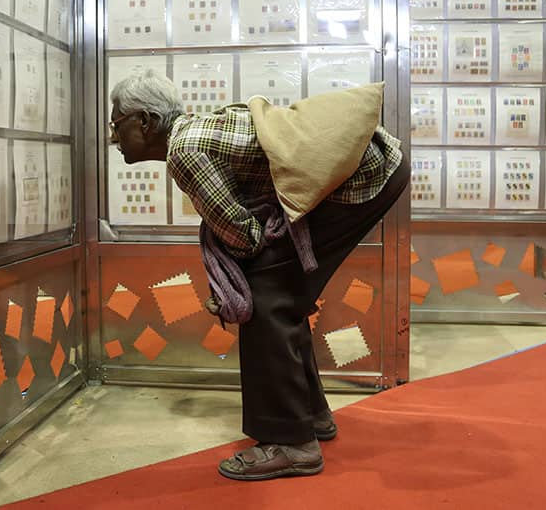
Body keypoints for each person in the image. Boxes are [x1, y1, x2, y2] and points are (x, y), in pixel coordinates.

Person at [109, 69, 409, 481]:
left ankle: (292, 444)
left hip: (369, 176)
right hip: (380, 164)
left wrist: (234, 286)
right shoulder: (196, 133)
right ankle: (310, 418)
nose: (113, 137)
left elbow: (244, 236)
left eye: (116, 123)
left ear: (145, 121)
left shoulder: (185, 150)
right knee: (280, 294)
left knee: (267, 301)